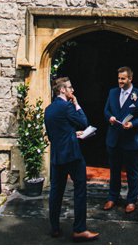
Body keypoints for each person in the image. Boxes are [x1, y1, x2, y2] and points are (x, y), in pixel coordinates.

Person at [45, 76, 99, 241]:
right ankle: (79, 229)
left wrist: (71, 134)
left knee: (56, 191)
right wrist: (76, 103)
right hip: (72, 156)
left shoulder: (49, 109)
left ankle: (55, 227)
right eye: (70, 87)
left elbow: (55, 133)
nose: (72, 90)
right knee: (80, 190)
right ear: (62, 90)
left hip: (57, 156)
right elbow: (83, 121)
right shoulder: (67, 106)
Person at [103, 66, 138, 213]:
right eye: (119, 78)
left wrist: (132, 124)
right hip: (114, 138)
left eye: (123, 79)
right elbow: (106, 110)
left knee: (132, 171)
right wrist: (109, 117)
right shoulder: (112, 92)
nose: (120, 81)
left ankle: (131, 200)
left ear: (130, 79)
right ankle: (112, 197)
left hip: (131, 139)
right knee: (114, 170)